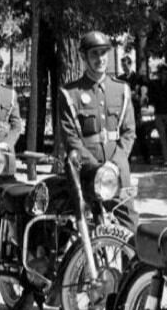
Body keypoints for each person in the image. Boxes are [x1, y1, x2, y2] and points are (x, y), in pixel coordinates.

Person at [58, 31, 138, 231]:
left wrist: (114, 165)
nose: (100, 59)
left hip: (118, 171)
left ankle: (132, 263)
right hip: (87, 171)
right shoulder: (70, 94)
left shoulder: (122, 90)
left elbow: (129, 133)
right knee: (81, 228)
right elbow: (71, 138)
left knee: (130, 224)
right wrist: (96, 168)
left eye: (104, 53)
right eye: (94, 54)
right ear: (84, 57)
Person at [118, 56, 150, 164]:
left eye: (126, 65)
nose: (124, 68)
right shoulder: (120, 79)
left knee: (140, 134)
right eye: (122, 66)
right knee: (126, 134)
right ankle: (127, 157)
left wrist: (140, 97)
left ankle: (146, 157)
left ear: (130, 64)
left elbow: (143, 90)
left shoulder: (138, 77)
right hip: (124, 109)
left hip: (135, 109)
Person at [146, 65, 167, 166]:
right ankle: (166, 160)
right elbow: (150, 96)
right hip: (159, 113)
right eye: (163, 73)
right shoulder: (155, 84)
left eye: (166, 74)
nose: (164, 75)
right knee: (163, 137)